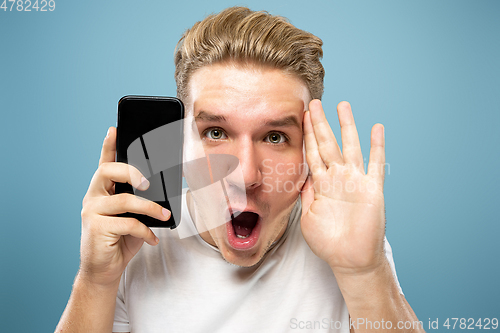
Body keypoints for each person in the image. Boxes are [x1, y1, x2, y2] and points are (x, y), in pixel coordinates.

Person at [55, 6, 424, 333]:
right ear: (180, 144)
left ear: (309, 154)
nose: (246, 175)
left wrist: (366, 273)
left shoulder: (345, 237)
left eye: (276, 137)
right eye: (216, 133)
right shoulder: (135, 244)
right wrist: (95, 281)